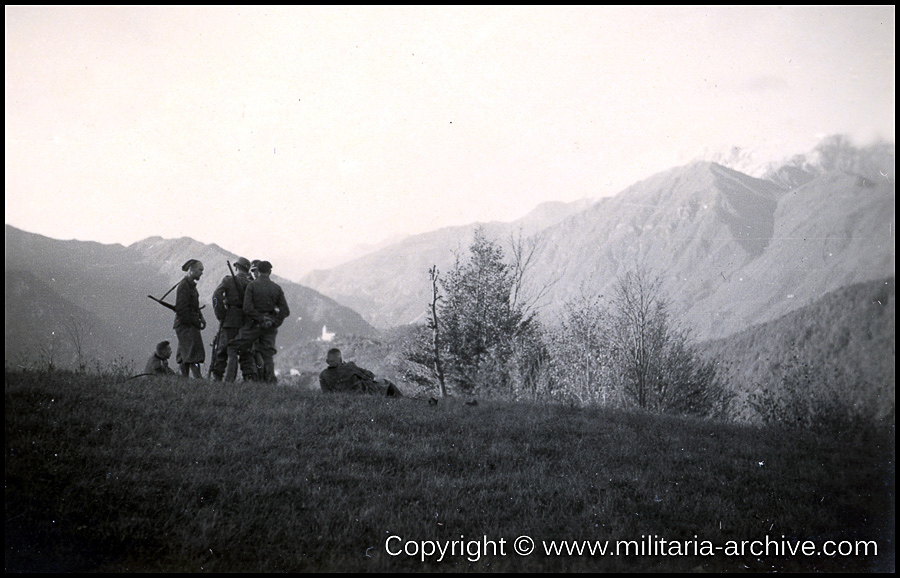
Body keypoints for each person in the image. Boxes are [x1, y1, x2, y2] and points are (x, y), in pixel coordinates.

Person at [225, 260, 289, 383]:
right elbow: (285, 311)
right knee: (267, 355)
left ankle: (229, 381)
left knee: (233, 347)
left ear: (258, 271)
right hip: (270, 327)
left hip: (253, 325)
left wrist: (260, 318)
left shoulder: (252, 286)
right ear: (270, 272)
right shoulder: (276, 288)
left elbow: (247, 308)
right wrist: (273, 321)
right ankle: (270, 383)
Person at [209, 257, 257, 381]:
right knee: (246, 352)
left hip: (230, 320)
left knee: (223, 350)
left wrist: (221, 314)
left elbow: (216, 296)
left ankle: (218, 377)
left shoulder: (228, 280)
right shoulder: (252, 284)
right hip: (246, 322)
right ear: (247, 270)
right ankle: (249, 378)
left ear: (236, 267)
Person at [319, 348, 403, 397]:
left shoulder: (323, 375)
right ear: (341, 360)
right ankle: (402, 400)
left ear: (327, 361)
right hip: (363, 394)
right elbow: (369, 376)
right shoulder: (349, 366)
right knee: (387, 383)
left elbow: (326, 393)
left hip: (342, 397)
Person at [174, 259, 206, 378]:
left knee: (185, 353)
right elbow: (181, 308)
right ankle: (198, 378)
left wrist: (201, 317)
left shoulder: (191, 286)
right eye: (200, 270)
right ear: (191, 270)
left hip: (186, 324)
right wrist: (192, 322)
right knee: (193, 353)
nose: (201, 273)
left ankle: (185, 380)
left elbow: (194, 306)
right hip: (186, 325)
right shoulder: (184, 286)